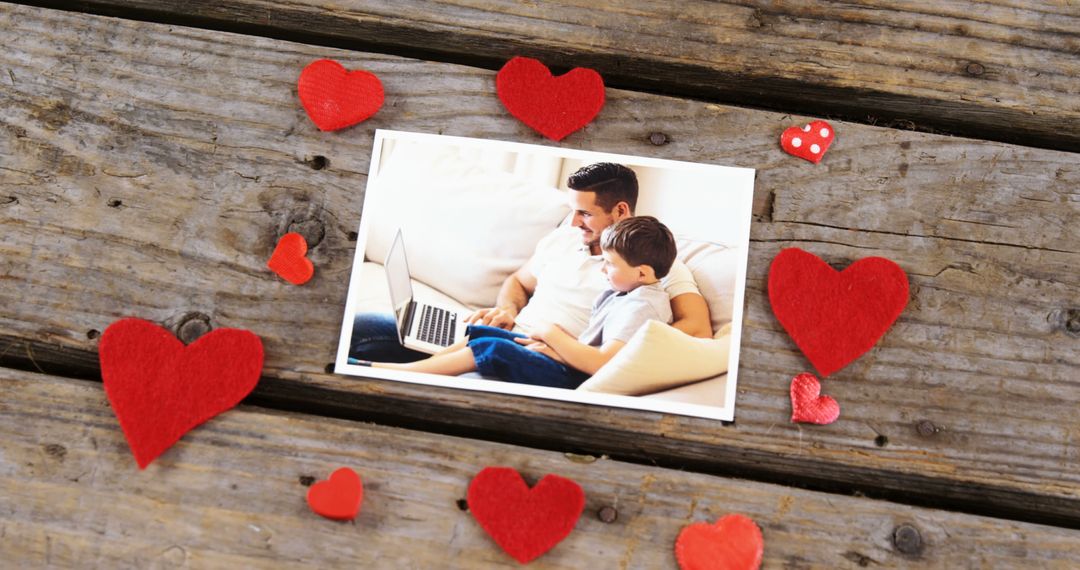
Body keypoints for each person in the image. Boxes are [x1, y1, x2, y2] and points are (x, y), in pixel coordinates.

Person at [348, 162, 711, 363]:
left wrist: (592, 351)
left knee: (363, 338)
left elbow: (697, 328)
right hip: (504, 332)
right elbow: (519, 284)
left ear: (620, 210)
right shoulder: (564, 238)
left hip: (539, 354)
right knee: (358, 326)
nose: (573, 224)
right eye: (572, 212)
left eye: (584, 214)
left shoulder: (653, 266)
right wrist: (504, 310)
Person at [369, 216, 678, 389]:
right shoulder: (623, 290)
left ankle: (394, 376)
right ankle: (402, 369)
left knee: (494, 349)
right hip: (565, 359)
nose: (603, 269)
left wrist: (553, 335)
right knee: (484, 334)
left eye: (609, 265)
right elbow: (591, 348)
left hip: (573, 379)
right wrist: (555, 346)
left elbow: (603, 363)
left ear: (643, 272)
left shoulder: (641, 305)